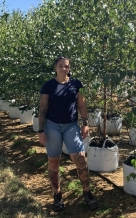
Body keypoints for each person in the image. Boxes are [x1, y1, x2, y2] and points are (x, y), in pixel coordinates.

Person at [38, 56, 99, 211]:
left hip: (71, 125)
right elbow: (43, 108)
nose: (63, 69)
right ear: (55, 67)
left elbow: (82, 105)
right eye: (60, 66)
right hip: (52, 126)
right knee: (54, 161)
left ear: (69, 68)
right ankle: (57, 195)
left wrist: (85, 124)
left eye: (66, 66)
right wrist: (40, 130)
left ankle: (87, 192)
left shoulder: (76, 84)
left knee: (80, 159)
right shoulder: (48, 86)